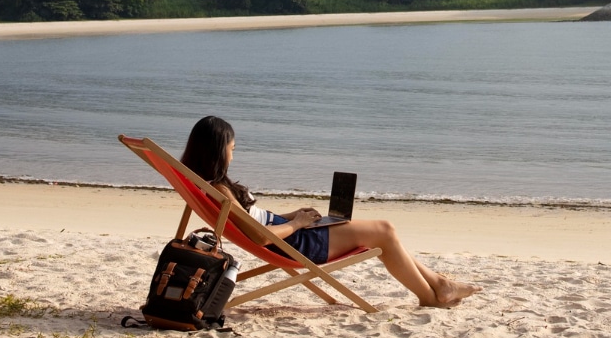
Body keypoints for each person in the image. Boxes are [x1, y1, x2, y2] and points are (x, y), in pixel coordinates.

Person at [179, 115, 481, 308]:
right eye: (232, 147)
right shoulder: (219, 190)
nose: (234, 152)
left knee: (383, 234)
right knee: (385, 232)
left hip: (290, 234)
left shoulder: (212, 185)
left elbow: (255, 222)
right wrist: (297, 223)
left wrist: (291, 215)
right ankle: (432, 297)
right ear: (217, 150)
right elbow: (260, 238)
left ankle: (440, 285)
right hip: (294, 245)